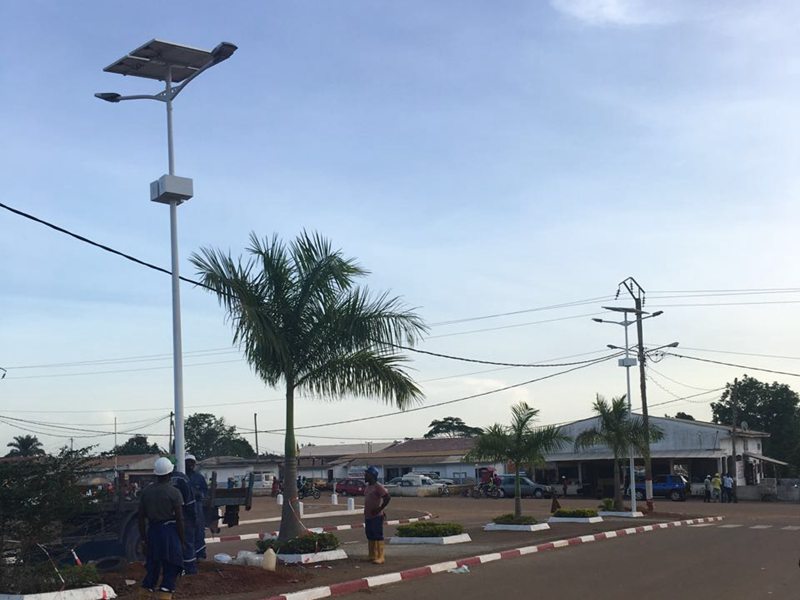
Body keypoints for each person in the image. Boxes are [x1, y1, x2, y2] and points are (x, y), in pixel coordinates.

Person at [138, 457, 185, 600]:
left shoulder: (146, 492)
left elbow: (140, 518)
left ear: (156, 474)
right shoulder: (174, 492)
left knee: (153, 566)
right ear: (170, 473)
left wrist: (144, 540)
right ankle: (165, 593)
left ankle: (145, 593)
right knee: (171, 566)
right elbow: (179, 519)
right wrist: (182, 541)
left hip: (152, 532)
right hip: (169, 533)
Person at [170, 461, 197, 574]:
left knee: (172, 544)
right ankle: (190, 570)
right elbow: (190, 501)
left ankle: (175, 570)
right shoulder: (183, 479)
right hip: (184, 516)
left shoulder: (158, 481)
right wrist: (194, 517)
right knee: (187, 543)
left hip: (167, 519)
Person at [363, 465, 390, 565]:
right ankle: (372, 555)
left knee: (377, 534)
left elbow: (387, 497)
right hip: (368, 515)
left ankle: (380, 556)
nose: (365, 476)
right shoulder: (368, 487)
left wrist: (380, 508)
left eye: (366, 474)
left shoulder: (378, 486)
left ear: (372, 475)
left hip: (376, 516)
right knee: (370, 534)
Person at [185, 454, 208, 564]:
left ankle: (200, 554)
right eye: (188, 462)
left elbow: (205, 491)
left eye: (192, 462)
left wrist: (199, 494)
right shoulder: (182, 477)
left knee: (199, 530)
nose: (190, 464)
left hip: (197, 506)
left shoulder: (199, 477)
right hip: (185, 506)